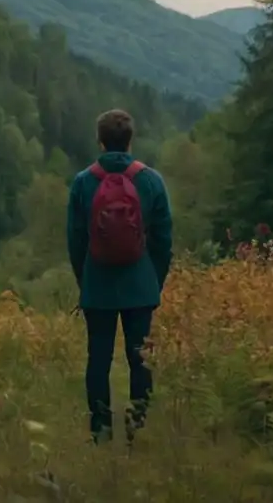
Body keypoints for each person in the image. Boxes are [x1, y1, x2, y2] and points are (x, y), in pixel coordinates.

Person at [67, 108, 173, 446]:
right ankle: (136, 431)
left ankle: (100, 433)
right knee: (140, 358)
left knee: (98, 358)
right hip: (140, 285)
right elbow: (163, 240)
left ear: (100, 141)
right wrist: (154, 280)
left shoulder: (84, 182)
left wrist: (84, 280)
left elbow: (75, 239)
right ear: (130, 140)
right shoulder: (151, 181)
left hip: (98, 284)